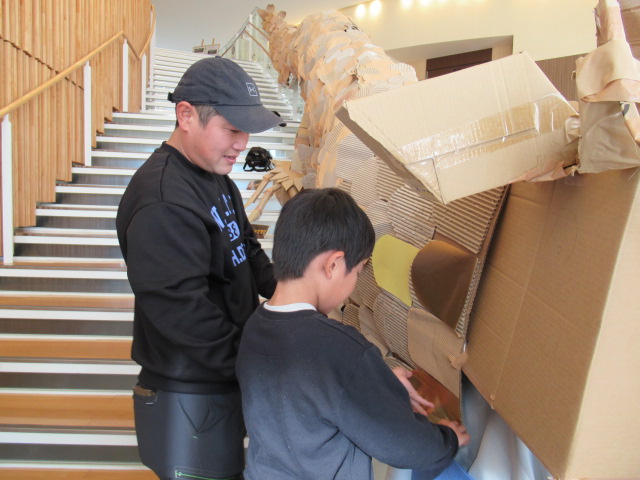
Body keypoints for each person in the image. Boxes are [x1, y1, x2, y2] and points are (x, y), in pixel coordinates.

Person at [116, 56, 283, 480]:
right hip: (187, 393)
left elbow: (246, 248)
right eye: (232, 129)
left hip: (221, 380)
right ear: (186, 115)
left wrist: (293, 294)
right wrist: (265, 363)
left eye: (246, 131)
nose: (242, 143)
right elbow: (184, 316)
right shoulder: (162, 199)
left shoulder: (215, 176)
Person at [236, 188, 470, 480]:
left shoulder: (255, 327)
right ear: (333, 265)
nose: (353, 286)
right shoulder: (340, 350)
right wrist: (447, 439)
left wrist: (377, 383)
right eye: (358, 272)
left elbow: (309, 395)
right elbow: (401, 444)